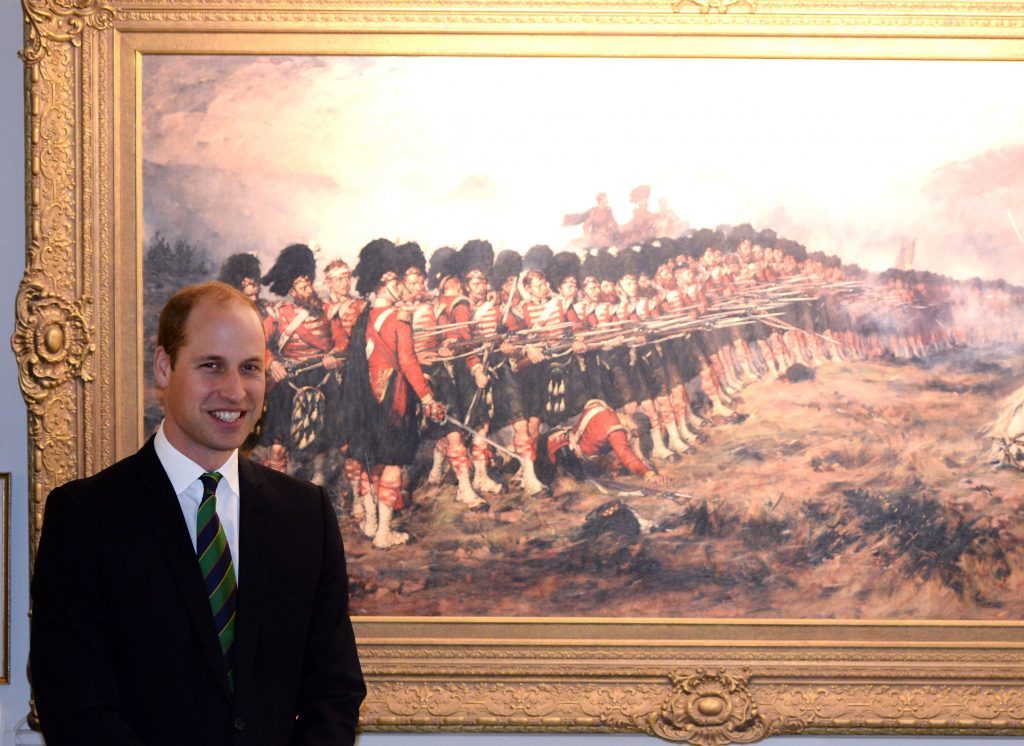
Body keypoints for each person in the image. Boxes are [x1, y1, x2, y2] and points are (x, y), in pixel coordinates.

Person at [30, 281, 366, 745]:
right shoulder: (85, 518)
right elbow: (75, 703)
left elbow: (334, 690)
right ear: (165, 367)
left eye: (250, 368)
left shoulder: (306, 515)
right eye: (212, 366)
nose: (234, 391)